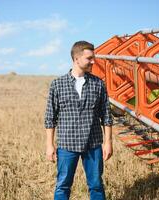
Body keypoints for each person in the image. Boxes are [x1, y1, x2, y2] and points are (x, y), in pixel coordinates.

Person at [44, 40, 113, 200]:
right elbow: (50, 117)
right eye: (89, 58)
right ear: (76, 59)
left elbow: (107, 115)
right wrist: (49, 145)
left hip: (94, 144)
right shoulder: (57, 84)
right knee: (63, 186)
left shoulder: (98, 84)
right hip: (67, 145)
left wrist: (108, 142)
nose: (93, 61)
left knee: (96, 185)